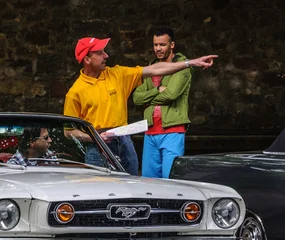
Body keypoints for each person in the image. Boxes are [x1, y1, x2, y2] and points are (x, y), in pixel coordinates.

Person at [63, 36, 216, 175]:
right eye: (100, 53)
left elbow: (156, 69)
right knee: (100, 191)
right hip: (97, 146)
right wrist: (93, 137)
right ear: (87, 59)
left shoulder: (116, 74)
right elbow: (68, 132)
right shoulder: (75, 92)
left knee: (132, 188)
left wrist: (191, 63)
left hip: (124, 140)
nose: (106, 56)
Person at [132, 27, 192, 178]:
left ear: (172, 45)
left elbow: (170, 94)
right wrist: (157, 89)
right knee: (149, 180)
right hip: (150, 131)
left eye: (162, 45)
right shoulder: (149, 70)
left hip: (172, 130)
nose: (158, 48)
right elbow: (136, 98)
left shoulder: (182, 68)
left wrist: (149, 99)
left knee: (170, 179)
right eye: (155, 45)